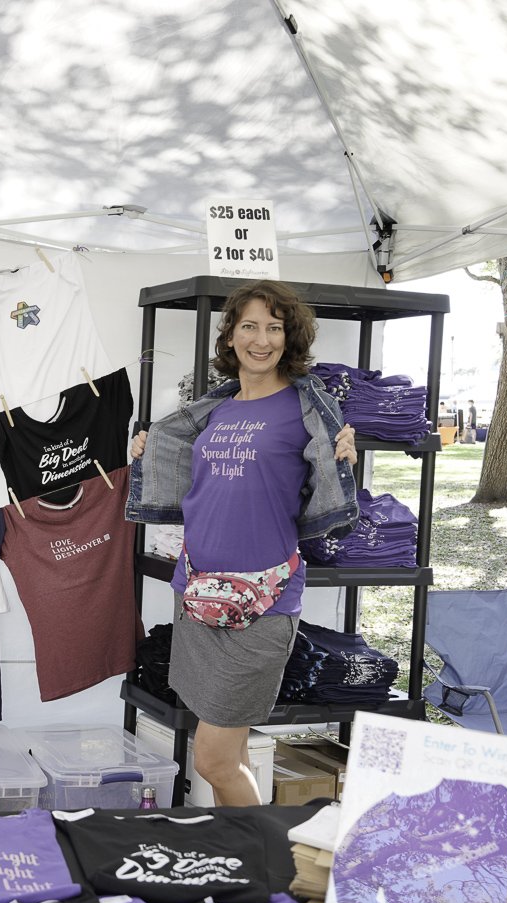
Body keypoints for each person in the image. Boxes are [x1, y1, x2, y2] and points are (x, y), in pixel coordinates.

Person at [127, 280, 358, 805]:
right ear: (230, 336)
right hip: (198, 591)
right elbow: (194, 479)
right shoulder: (216, 408)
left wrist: (346, 455)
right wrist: (152, 446)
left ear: (289, 337)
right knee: (230, 757)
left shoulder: (306, 409)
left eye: (274, 328)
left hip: (262, 600)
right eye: (249, 326)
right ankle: (247, 861)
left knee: (211, 758)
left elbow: (331, 479)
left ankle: (263, 860)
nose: (262, 339)